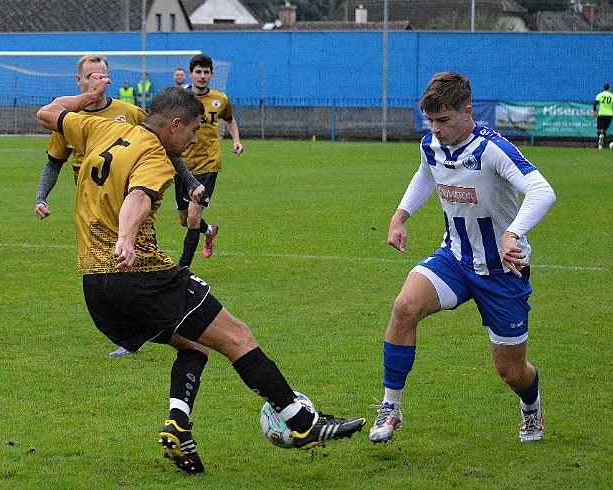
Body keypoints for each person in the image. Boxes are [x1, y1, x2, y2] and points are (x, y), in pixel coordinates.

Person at [36, 79, 366, 474]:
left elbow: (47, 112)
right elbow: (137, 198)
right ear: (174, 125)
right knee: (238, 337)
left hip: (96, 285)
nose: (194, 141)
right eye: (193, 131)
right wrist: (125, 239)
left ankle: (179, 425)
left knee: (195, 345)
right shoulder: (156, 157)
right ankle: (302, 423)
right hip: (141, 275)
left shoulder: (101, 127)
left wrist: (86, 100)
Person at [369, 72, 556, 445]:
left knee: (511, 372)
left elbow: (542, 190)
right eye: (431, 121)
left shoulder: (492, 149)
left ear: (467, 112)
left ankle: (531, 408)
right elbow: (425, 176)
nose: (435, 129)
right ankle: (391, 406)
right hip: (454, 259)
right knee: (405, 306)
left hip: (504, 271)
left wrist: (512, 233)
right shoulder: (431, 146)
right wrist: (399, 217)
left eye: (443, 120)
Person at [33, 53, 203, 358]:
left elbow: (167, 143)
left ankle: (150, 328)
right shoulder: (77, 120)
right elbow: (54, 161)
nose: (99, 81)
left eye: (103, 75)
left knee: (131, 258)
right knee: (111, 270)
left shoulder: (128, 113)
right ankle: (143, 329)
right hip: (92, 204)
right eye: (91, 77)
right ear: (80, 82)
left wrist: (189, 181)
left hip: (134, 195)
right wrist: (41, 196)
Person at [176, 53, 244, 267]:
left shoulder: (220, 99)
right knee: (184, 220)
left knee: (194, 217)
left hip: (208, 164)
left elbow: (230, 119)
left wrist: (236, 140)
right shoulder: (181, 99)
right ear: (190, 74)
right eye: (198, 72)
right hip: (182, 164)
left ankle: (183, 269)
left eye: (206, 72)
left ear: (212, 74)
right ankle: (209, 231)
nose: (202, 76)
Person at [593, 83, 613, 149]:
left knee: (599, 129)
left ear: (603, 88)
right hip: (609, 115)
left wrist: (594, 111)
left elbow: (595, 104)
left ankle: (600, 143)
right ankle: (602, 142)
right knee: (604, 130)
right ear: (609, 88)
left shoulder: (600, 95)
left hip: (601, 114)